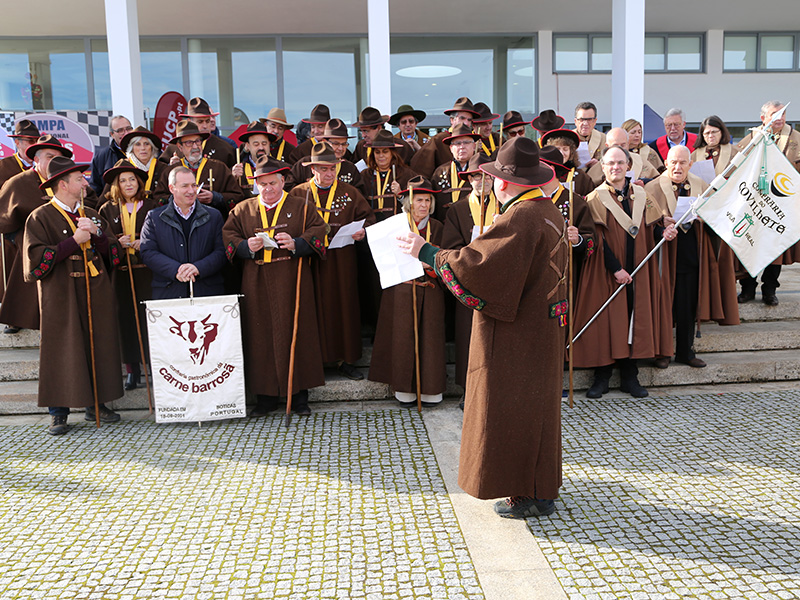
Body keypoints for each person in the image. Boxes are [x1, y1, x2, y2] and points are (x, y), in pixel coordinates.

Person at [398, 137, 568, 519]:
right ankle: (541, 490)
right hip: (541, 329)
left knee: (511, 409)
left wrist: (426, 250)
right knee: (537, 410)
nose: (491, 183)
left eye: (493, 177)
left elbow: (476, 267)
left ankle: (524, 494)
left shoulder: (521, 216)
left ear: (505, 182)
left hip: (515, 336)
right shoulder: (548, 210)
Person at [22, 156, 124, 435]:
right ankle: (58, 413)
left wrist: (99, 237)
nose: (85, 182)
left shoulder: (91, 213)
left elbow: (112, 253)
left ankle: (97, 404)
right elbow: (36, 263)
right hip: (60, 294)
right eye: (79, 179)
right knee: (61, 348)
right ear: (63, 184)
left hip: (95, 290)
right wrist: (73, 242)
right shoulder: (39, 217)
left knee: (98, 343)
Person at [222, 155, 327, 417]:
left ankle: (299, 395)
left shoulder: (301, 206)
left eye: (273, 183)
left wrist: (297, 244)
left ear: (283, 181)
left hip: (292, 276)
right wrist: (246, 246)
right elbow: (228, 238)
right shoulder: (242, 209)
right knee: (260, 338)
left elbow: (320, 231)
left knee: (296, 332)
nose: (268, 189)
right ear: (256, 184)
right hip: (255, 280)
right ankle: (265, 397)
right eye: (263, 184)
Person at [572, 145, 666, 399]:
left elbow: (652, 228)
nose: (615, 167)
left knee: (634, 319)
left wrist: (664, 233)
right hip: (607, 272)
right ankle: (602, 376)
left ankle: (629, 376)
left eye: (620, 163)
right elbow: (596, 240)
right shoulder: (594, 198)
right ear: (602, 167)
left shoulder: (642, 195)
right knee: (607, 322)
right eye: (610, 163)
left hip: (639, 270)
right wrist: (615, 269)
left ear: (628, 166)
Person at [645, 146, 739, 369]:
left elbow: (717, 215)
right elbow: (644, 224)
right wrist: (661, 223)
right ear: (666, 163)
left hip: (691, 255)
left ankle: (686, 351)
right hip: (664, 258)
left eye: (683, 163)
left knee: (687, 306)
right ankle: (662, 352)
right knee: (664, 306)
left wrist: (703, 217)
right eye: (674, 162)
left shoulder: (701, 185)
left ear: (690, 164)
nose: (678, 167)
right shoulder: (652, 187)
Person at [288, 142, 375, 380]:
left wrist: (363, 231)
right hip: (310, 262)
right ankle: (314, 361)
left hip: (342, 261)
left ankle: (345, 359)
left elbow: (368, 218)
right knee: (312, 306)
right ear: (312, 169)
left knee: (344, 306)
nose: (329, 174)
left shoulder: (349, 192)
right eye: (323, 169)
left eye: (332, 169)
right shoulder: (298, 193)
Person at [0, 136, 96, 334]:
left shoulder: (72, 180)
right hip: (33, 242)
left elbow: (93, 205)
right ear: (36, 160)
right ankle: (19, 316)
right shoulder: (18, 183)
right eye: (49, 157)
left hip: (71, 242)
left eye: (58, 157)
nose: (54, 161)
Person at [370, 176, 446, 407]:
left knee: (430, 340)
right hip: (401, 291)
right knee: (402, 338)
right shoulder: (395, 226)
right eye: (418, 200)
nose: (423, 205)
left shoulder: (439, 227)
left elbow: (449, 256)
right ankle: (404, 390)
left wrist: (431, 265)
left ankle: (431, 390)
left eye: (427, 200)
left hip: (431, 288)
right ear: (408, 202)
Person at [441, 153, 497, 405]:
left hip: (499, 282)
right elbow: (450, 247)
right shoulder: (458, 210)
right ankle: (468, 389)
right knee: (468, 338)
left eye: (486, 177)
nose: (481, 181)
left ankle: (496, 388)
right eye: (476, 176)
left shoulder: (506, 207)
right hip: (469, 282)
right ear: (469, 179)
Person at [99, 160, 158, 390]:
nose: (128, 184)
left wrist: (146, 243)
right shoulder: (107, 209)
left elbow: (161, 235)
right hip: (122, 275)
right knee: (126, 322)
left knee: (150, 322)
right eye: (122, 180)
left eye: (132, 179)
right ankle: (132, 371)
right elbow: (102, 241)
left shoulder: (152, 205)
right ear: (117, 185)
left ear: (139, 181)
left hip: (149, 273)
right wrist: (116, 242)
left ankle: (154, 367)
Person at [736, 101, 800, 305]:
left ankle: (770, 289)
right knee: (750, 243)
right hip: (754, 202)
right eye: (774, 114)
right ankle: (747, 288)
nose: (779, 118)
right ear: (763, 118)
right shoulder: (753, 137)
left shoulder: (796, 140)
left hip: (782, 203)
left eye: (783, 114)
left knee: (776, 246)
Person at [140, 166, 226, 300]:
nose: (191, 191)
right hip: (169, 293)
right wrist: (176, 270)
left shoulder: (214, 216)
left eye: (194, 185)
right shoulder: (154, 217)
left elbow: (222, 251)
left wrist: (198, 268)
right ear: (171, 188)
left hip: (207, 292)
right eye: (185, 186)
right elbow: (148, 252)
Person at [154, 120, 244, 217]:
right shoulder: (171, 171)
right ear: (180, 147)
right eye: (189, 143)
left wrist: (215, 197)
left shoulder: (219, 167)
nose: (195, 146)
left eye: (198, 141)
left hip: (211, 224)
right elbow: (158, 199)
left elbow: (238, 197)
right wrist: (180, 198)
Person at [0, 119, 40, 300]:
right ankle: (14, 312)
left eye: (37, 141)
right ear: (17, 142)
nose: (34, 145)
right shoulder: (4, 166)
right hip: (12, 228)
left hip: (41, 223)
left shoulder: (44, 167)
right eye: (30, 141)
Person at [410, 97, 480, 179]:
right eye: (462, 118)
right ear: (452, 120)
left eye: (469, 120)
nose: (466, 123)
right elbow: (420, 168)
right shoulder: (439, 139)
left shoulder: (475, 141)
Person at [159, 97, 236, 169]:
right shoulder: (174, 147)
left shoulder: (225, 148)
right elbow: (160, 175)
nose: (205, 126)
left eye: (207, 121)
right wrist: (170, 167)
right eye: (200, 122)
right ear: (189, 121)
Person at [289, 119, 363, 192]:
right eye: (336, 143)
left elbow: (359, 194)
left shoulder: (350, 168)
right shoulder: (305, 164)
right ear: (324, 141)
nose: (340, 148)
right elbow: (288, 187)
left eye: (344, 144)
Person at [431, 123, 481, 221]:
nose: (462, 147)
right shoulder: (439, 172)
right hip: (446, 225)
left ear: (474, 146)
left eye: (466, 142)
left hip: (474, 224)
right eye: (457, 143)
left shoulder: (481, 170)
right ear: (450, 148)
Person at [586, 127, 659, 187]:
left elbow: (657, 182)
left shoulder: (640, 161)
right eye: (616, 145)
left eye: (623, 145)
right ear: (607, 146)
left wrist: (644, 183)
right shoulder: (599, 166)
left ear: (628, 143)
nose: (620, 149)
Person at [540, 129, 595, 196]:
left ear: (571, 152)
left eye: (565, 149)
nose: (561, 153)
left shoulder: (581, 177)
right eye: (557, 149)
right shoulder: (540, 174)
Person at [89, 115, 131, 195]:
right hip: (113, 205)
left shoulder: (144, 151)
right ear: (112, 134)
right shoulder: (101, 157)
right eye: (120, 130)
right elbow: (95, 189)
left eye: (128, 129)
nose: (126, 133)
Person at [231, 121, 276, 196]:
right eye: (256, 144)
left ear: (269, 144)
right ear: (248, 146)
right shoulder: (238, 169)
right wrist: (233, 179)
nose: (261, 147)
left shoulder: (279, 168)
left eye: (264, 144)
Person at [572, 101, 606, 168]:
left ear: (595, 121)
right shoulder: (568, 138)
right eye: (581, 119)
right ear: (575, 121)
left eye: (589, 119)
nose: (585, 123)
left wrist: (598, 163)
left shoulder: (604, 139)